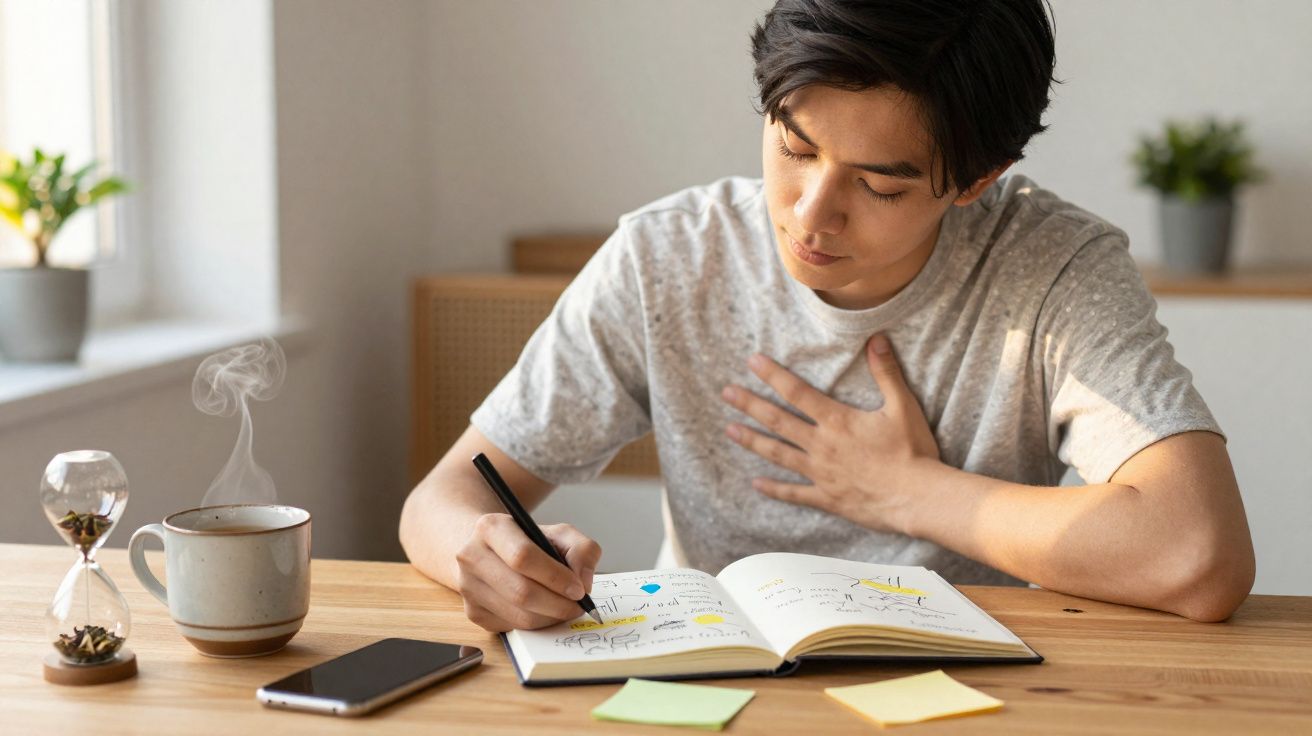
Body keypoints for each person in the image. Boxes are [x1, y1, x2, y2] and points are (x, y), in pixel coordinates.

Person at [400, 0, 1255, 633]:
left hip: (967, 695)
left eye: (880, 185)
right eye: (793, 147)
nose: (812, 213)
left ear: (976, 180)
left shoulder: (1052, 268)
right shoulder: (668, 257)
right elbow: (439, 500)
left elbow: (1196, 554)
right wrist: (486, 554)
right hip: (711, 681)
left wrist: (911, 493)